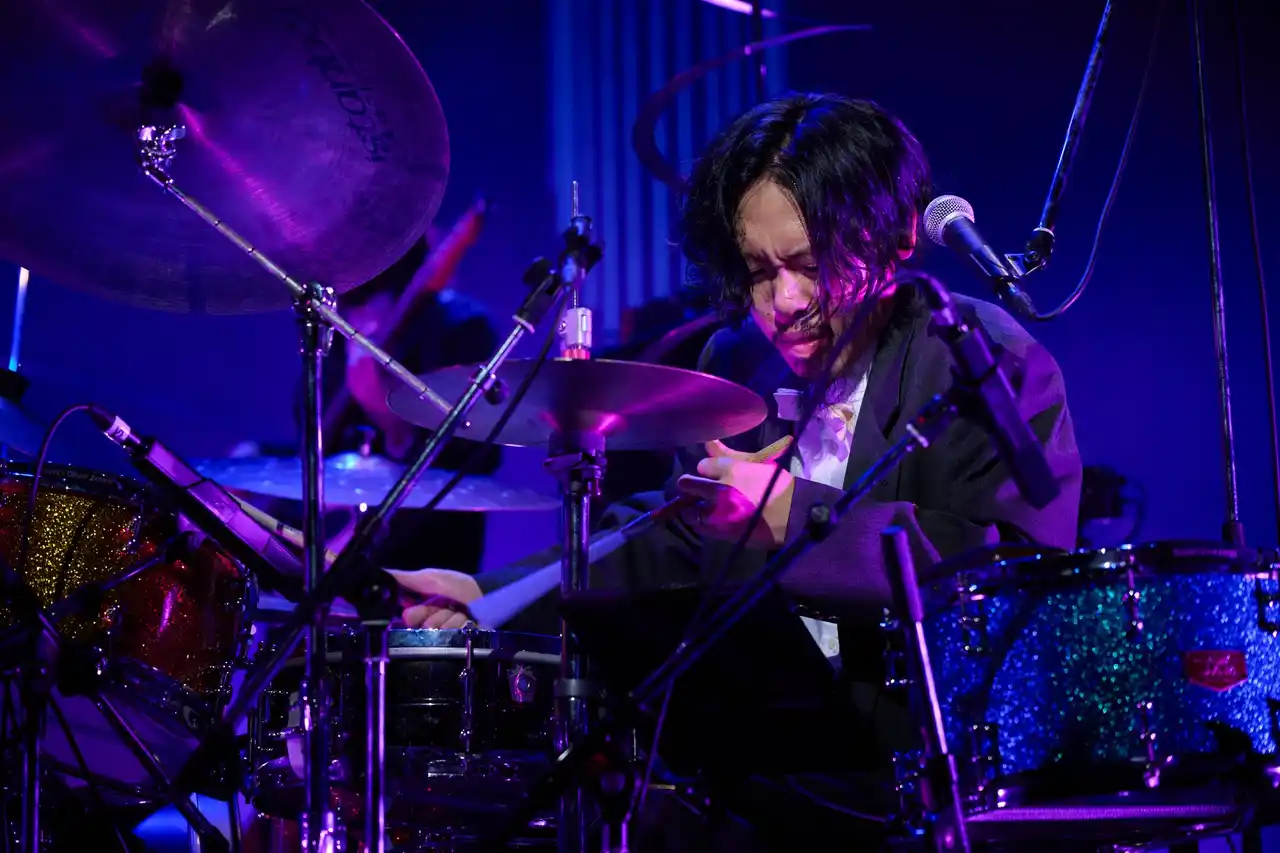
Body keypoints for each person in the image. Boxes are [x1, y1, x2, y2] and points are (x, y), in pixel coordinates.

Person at [394, 94, 1083, 848]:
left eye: (811, 266)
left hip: (928, 780)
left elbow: (1016, 580)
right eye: (759, 271)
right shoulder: (738, 362)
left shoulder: (983, 359)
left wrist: (794, 516)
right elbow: (673, 533)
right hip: (768, 772)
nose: (784, 301)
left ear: (895, 238)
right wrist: (491, 594)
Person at [239, 229, 502, 575]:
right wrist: (260, 460)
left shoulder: (461, 328)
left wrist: (391, 423)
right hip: (339, 554)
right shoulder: (332, 330)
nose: (362, 320)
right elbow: (328, 450)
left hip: (424, 566)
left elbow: (474, 461)